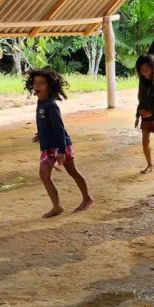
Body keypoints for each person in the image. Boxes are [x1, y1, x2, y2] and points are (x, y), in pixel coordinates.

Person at [25, 67, 92, 218]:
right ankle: (57, 206)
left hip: (60, 145)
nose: (37, 86)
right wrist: (41, 134)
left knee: (72, 171)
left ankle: (87, 198)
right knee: (44, 175)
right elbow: (46, 123)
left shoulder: (51, 105)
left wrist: (61, 151)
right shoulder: (40, 103)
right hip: (47, 146)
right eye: (35, 83)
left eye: (41, 83)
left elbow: (59, 128)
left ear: (49, 86)